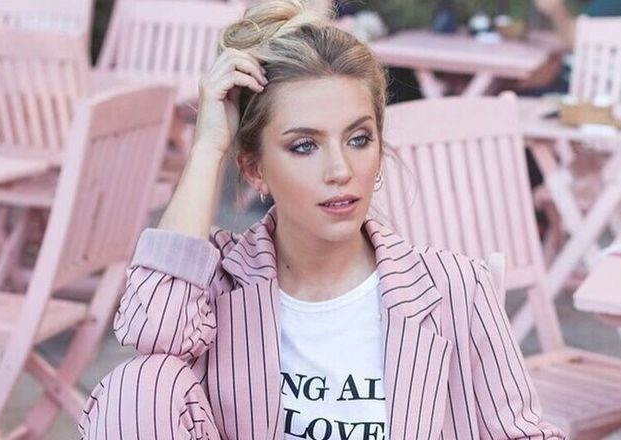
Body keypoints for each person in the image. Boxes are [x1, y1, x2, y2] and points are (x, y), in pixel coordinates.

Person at [79, 1, 565, 439]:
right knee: (139, 385)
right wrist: (208, 147)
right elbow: (152, 330)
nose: (340, 170)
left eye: (358, 139)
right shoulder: (219, 282)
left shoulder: (455, 289)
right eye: (304, 145)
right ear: (255, 169)